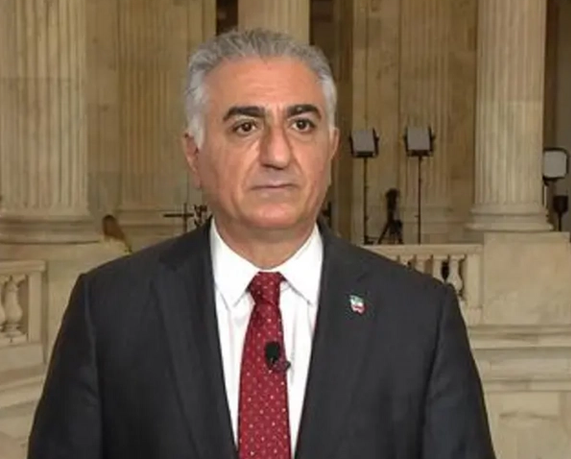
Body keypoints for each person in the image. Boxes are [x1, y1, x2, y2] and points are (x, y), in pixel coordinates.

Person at [27, 28, 495, 459]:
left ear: (331, 148)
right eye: (245, 127)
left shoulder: (420, 318)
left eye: (302, 125)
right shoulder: (109, 310)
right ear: (194, 153)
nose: (277, 154)